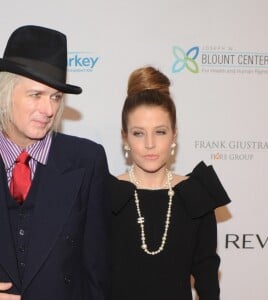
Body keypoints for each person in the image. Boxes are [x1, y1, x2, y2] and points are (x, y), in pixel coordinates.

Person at [0, 25, 110, 299]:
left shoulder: (87, 161)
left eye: (56, 97)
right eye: (36, 95)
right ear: (5, 92)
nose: (49, 110)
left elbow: (98, 270)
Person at [110, 66, 231, 300]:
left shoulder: (195, 194)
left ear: (174, 135)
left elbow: (207, 280)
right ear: (124, 137)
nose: (150, 144)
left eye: (160, 132)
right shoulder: (107, 195)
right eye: (138, 133)